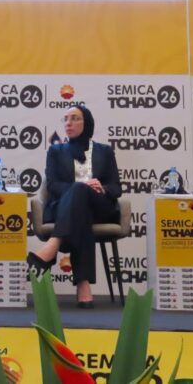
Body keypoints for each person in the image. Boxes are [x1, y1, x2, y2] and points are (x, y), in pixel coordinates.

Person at [27, 105, 122, 308]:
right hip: (68, 207)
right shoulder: (56, 151)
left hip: (100, 207)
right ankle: (83, 284)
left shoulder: (104, 151)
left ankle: (54, 244)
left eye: (75, 118)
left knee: (82, 194)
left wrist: (102, 187)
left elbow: (116, 188)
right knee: (80, 200)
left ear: (86, 123)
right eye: (66, 119)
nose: (68, 123)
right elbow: (52, 185)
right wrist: (81, 187)